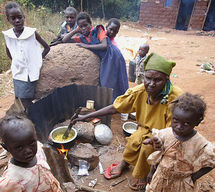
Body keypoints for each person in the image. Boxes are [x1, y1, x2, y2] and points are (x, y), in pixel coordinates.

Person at [72, 52, 183, 191]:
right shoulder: (139, 91)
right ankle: (125, 163)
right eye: (148, 78)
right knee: (133, 141)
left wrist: (160, 141)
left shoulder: (176, 98)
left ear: (166, 79)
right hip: (144, 129)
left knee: (147, 148)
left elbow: (176, 131)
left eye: (158, 80)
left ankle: (144, 174)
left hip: (166, 136)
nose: (151, 84)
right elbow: (116, 107)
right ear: (143, 76)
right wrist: (87, 116)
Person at [144, 93, 215, 192]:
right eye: (175, 120)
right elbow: (158, 155)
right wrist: (151, 172)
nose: (179, 126)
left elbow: (211, 163)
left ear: (197, 122)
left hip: (181, 184)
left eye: (186, 123)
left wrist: (194, 177)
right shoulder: (165, 134)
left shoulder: (200, 144)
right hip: (160, 177)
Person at [62, 12, 128, 101]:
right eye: (81, 26)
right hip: (106, 59)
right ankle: (111, 106)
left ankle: (122, 105)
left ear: (90, 24)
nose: (84, 28)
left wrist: (86, 46)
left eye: (86, 25)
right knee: (106, 82)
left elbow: (104, 46)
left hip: (113, 55)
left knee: (117, 81)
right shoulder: (82, 38)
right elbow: (64, 39)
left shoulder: (98, 30)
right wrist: (76, 30)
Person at [2, 2, 50, 111]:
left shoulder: (32, 33)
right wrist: (16, 62)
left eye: (19, 17)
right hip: (18, 72)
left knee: (26, 99)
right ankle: (25, 116)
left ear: (24, 17)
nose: (17, 21)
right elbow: (9, 52)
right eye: (13, 18)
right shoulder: (8, 35)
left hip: (30, 73)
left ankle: (31, 117)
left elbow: (47, 47)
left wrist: (37, 61)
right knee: (19, 97)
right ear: (8, 20)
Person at [0, 115, 63, 191]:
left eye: (32, 142)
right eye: (19, 147)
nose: (28, 150)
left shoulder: (38, 150)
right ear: (6, 148)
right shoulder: (12, 181)